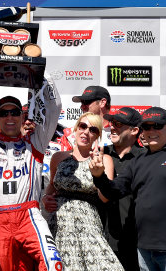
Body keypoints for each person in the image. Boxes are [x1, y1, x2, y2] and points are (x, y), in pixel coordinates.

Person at [90, 107, 166, 271]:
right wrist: (99, 177)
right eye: (147, 127)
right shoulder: (138, 160)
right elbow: (114, 191)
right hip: (144, 248)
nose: (151, 130)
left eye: (157, 125)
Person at [0, 78, 63, 271]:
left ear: (22, 116)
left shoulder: (35, 143)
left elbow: (54, 107)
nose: (10, 117)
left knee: (54, 264)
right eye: (3, 113)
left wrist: (44, 77)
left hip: (29, 215)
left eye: (15, 112)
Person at [43, 112, 123, 271]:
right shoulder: (58, 157)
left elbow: (105, 198)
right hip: (60, 223)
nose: (86, 132)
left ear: (98, 136)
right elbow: (52, 185)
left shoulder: (104, 160)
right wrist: (46, 198)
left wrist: (99, 174)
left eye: (93, 130)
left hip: (88, 223)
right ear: (76, 128)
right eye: (83, 126)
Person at [102, 107, 145, 271]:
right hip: (99, 238)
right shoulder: (100, 154)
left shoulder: (147, 158)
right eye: (112, 123)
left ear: (134, 130)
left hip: (135, 242)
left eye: (119, 124)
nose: (112, 127)